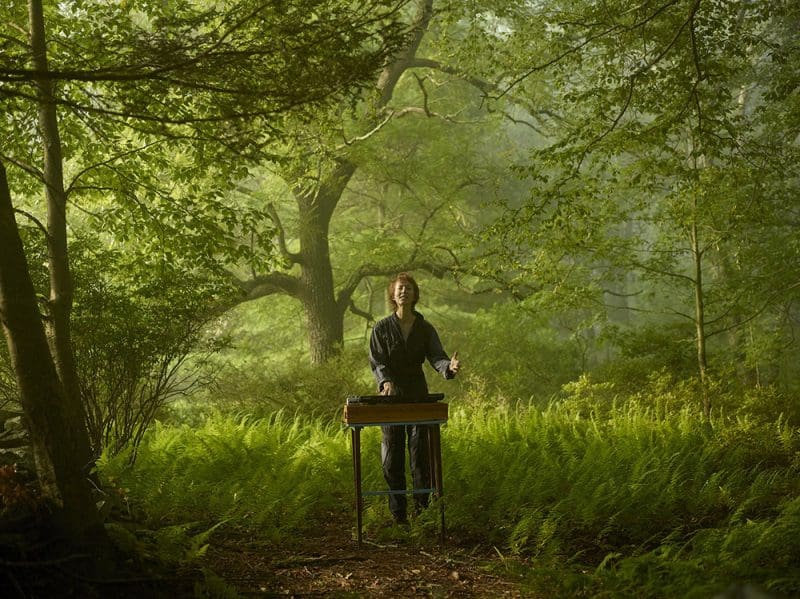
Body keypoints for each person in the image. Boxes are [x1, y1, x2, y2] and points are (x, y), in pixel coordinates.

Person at [368, 272, 460, 525]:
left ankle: (423, 514)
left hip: (419, 395)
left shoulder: (425, 328)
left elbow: (437, 357)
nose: (403, 292)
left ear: (415, 295)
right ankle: (399, 517)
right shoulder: (381, 328)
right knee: (391, 458)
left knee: (421, 456)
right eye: (399, 289)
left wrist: (448, 368)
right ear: (392, 295)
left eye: (408, 288)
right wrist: (385, 381)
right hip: (392, 398)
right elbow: (377, 361)